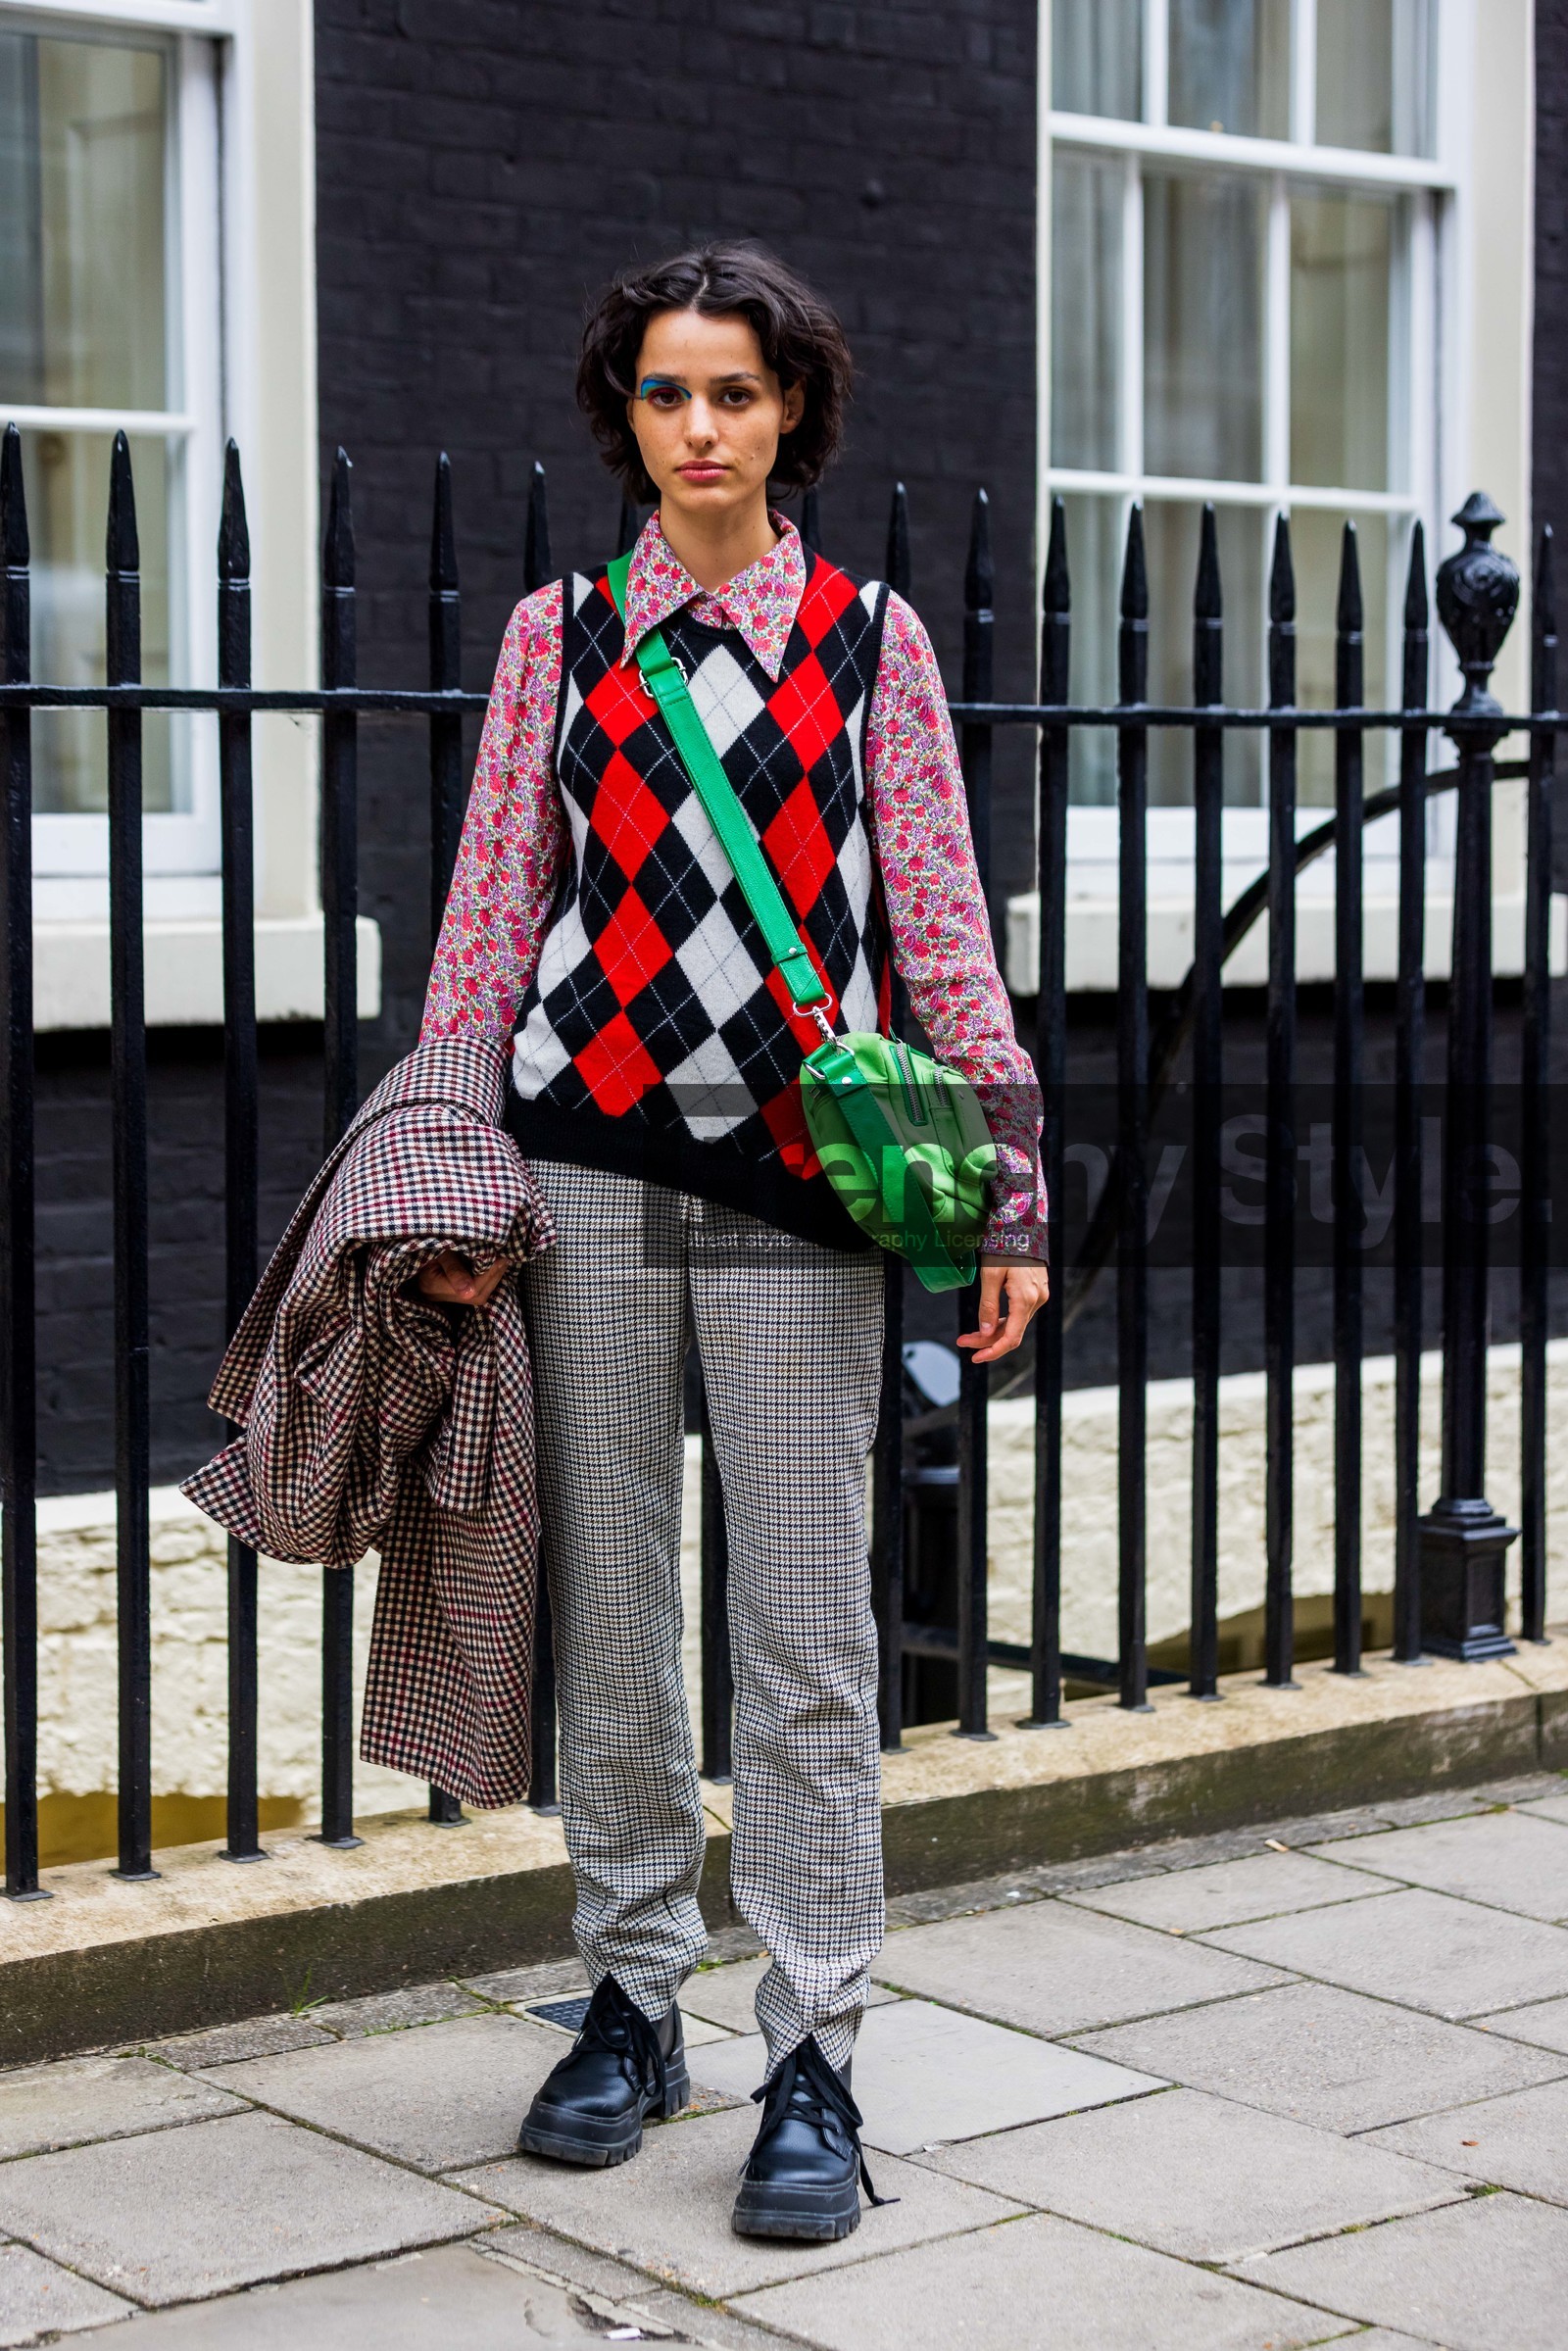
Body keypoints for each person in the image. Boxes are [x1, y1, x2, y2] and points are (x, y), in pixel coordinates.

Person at [419, 241, 1049, 2242]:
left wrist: (1006, 1186)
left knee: (803, 1632)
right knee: (608, 1608)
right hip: (582, 1178)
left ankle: (812, 2051)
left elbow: (936, 918)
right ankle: (628, 1999)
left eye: (736, 393)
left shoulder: (866, 642)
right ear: (627, 413)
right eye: (666, 392)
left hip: (795, 1195)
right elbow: (487, 921)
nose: (699, 427)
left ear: (793, 414)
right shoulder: (559, 637)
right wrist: (447, 1170)